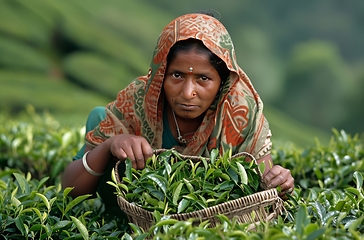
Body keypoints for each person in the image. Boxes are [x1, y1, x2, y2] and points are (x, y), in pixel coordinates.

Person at [62, 12, 294, 213]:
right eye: (177, 75)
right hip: (127, 218)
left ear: (222, 82)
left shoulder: (241, 113)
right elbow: (70, 191)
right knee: (99, 117)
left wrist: (279, 183)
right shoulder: (136, 103)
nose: (187, 92)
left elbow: (263, 195)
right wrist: (110, 145)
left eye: (203, 79)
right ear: (161, 73)